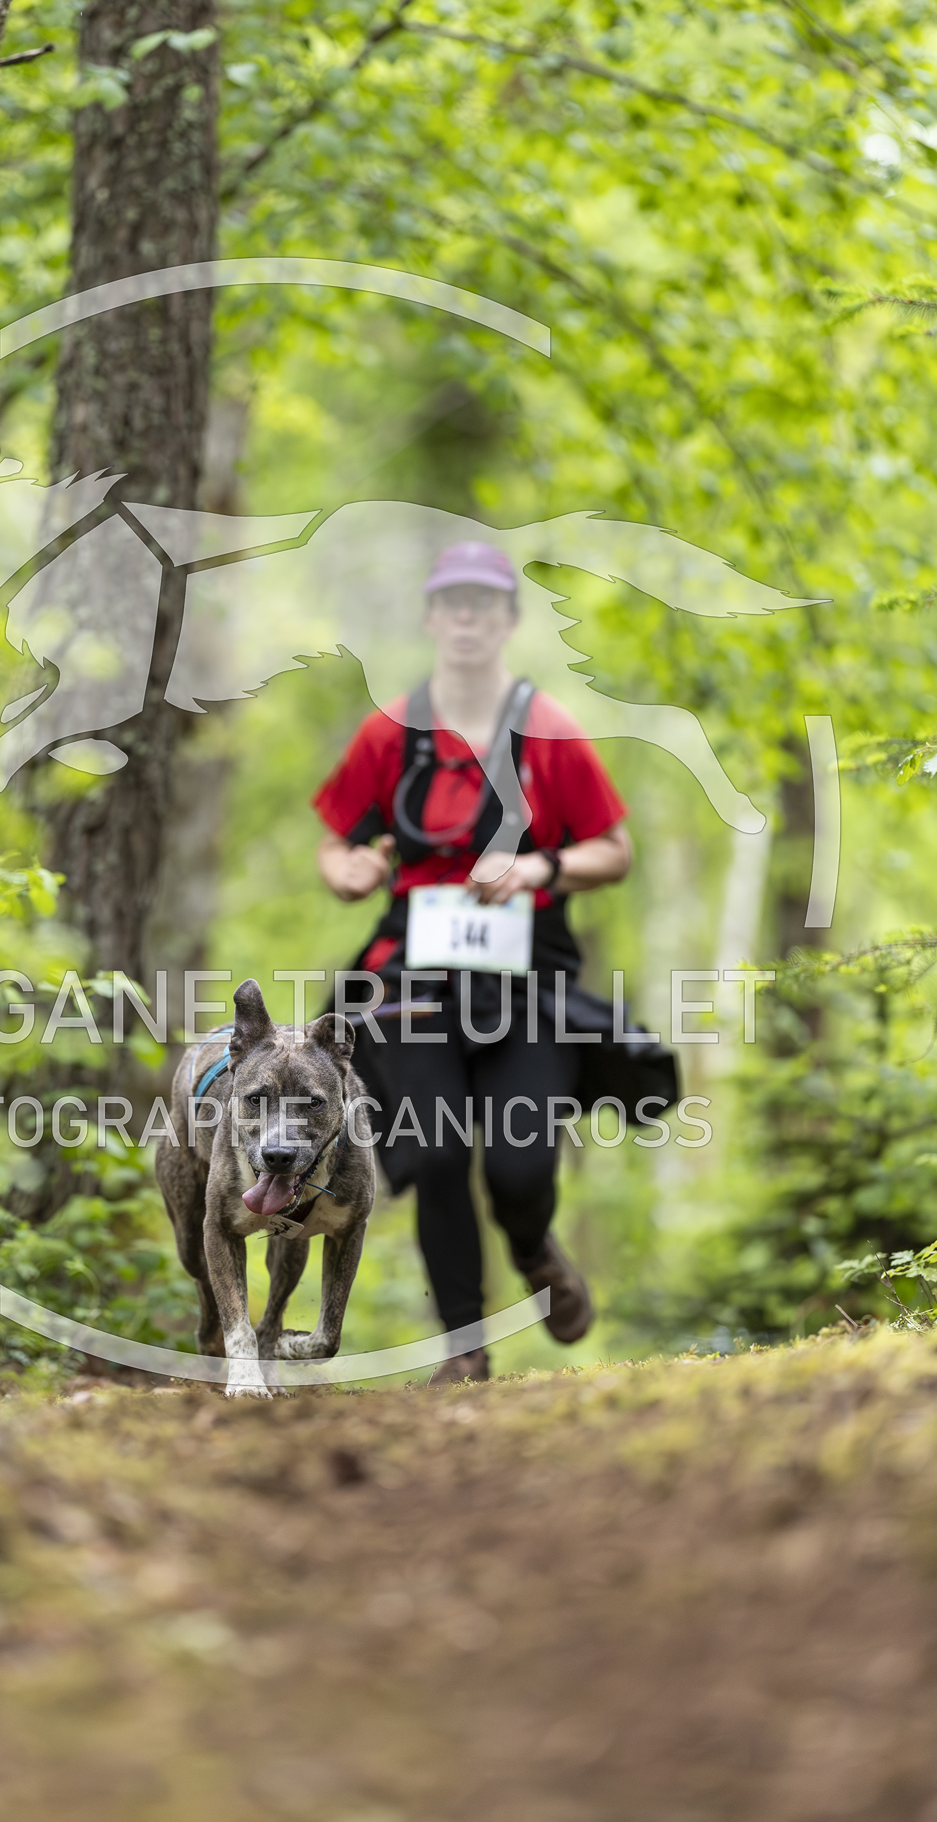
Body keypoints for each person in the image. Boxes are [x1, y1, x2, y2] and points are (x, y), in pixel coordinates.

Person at [313, 538, 632, 1383]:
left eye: (483, 604)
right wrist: (349, 871)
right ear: (431, 617)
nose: (466, 618)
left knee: (519, 1164)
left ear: (507, 620)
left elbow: (614, 850)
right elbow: (337, 842)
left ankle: (533, 1247)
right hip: (412, 982)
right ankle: (464, 1345)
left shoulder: (550, 729)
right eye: (452, 602)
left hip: (525, 984)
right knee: (438, 1152)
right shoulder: (390, 731)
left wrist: (539, 868)